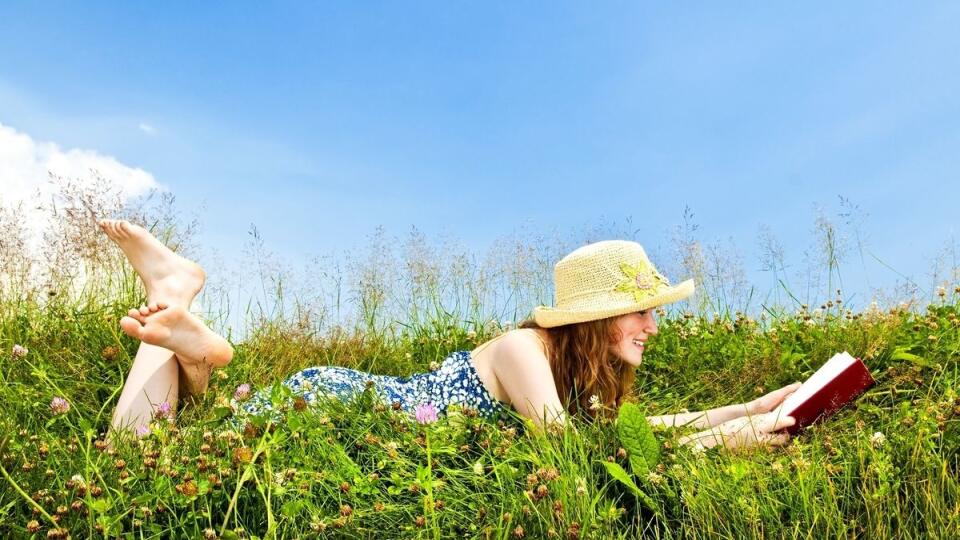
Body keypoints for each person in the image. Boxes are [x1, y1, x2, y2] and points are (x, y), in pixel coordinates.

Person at [102, 221, 799, 451]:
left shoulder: (570, 374)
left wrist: (749, 409)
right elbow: (579, 455)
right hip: (337, 406)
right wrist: (718, 444)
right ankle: (174, 300)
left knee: (174, 436)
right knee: (130, 452)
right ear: (596, 317)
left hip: (346, 412)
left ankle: (184, 330)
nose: (654, 324)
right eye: (641, 309)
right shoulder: (526, 350)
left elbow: (635, 432)